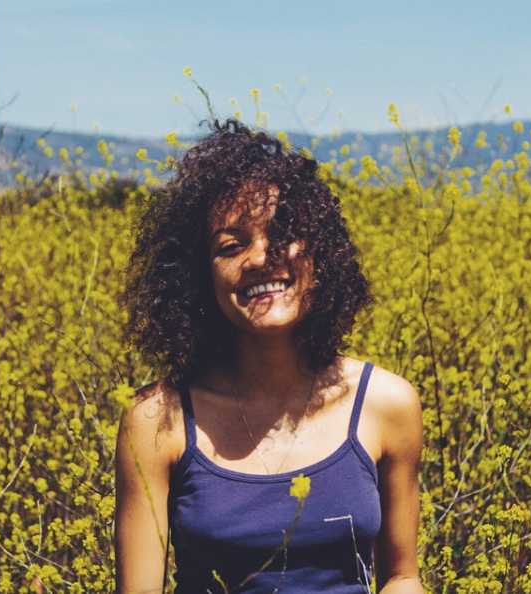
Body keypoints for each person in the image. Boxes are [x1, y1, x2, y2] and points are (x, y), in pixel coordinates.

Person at [115, 119, 424, 594]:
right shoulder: (158, 420)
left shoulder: (387, 404)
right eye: (231, 245)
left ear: (321, 254)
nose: (261, 257)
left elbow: (401, 577)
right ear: (199, 276)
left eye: (282, 233)